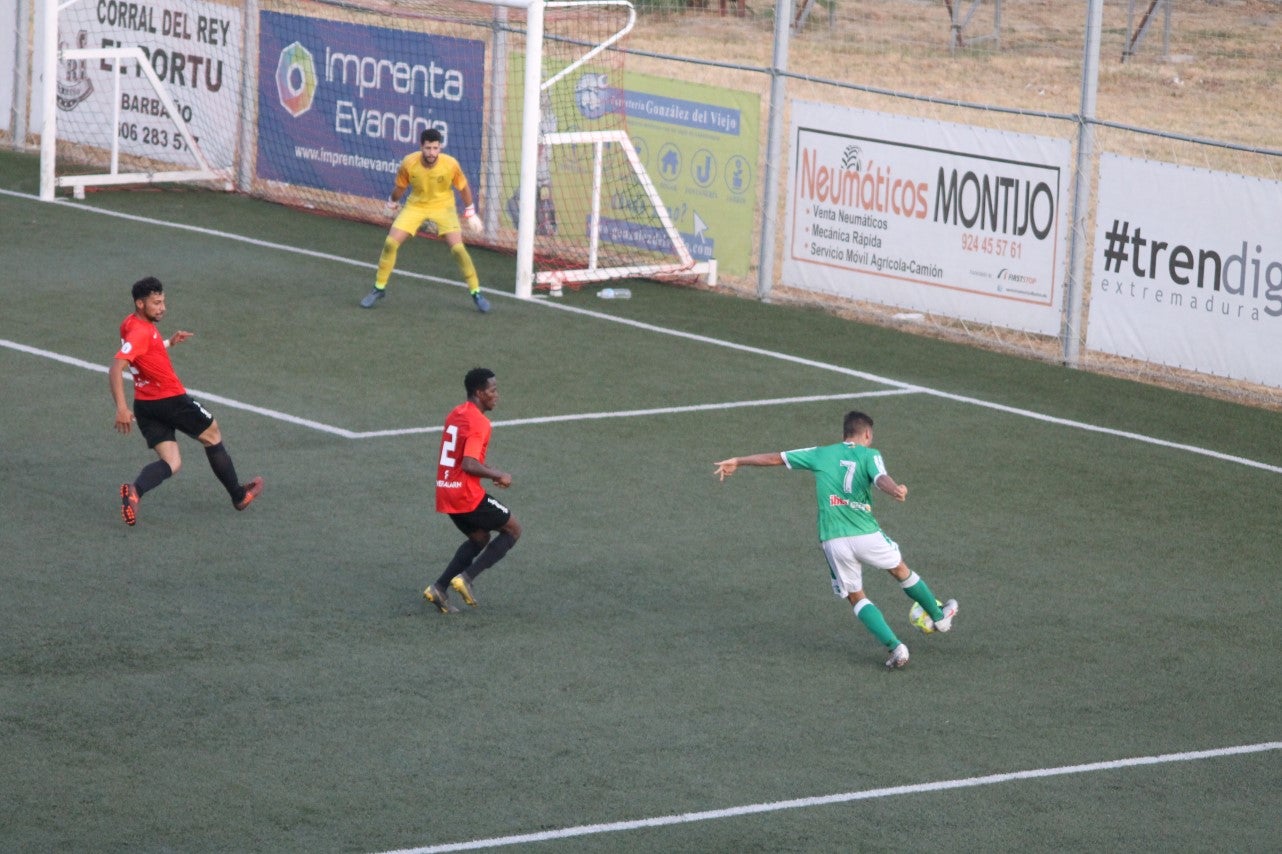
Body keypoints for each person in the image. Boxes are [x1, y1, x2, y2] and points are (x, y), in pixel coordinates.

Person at [714, 411, 957, 669]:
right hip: (866, 534)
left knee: (855, 596)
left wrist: (739, 461)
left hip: (833, 540)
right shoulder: (870, 455)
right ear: (867, 434)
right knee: (899, 570)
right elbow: (880, 478)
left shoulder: (820, 453)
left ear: (845, 433)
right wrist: (895, 489)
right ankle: (939, 617)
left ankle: (896, 648)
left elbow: (776, 458)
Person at [109, 276, 263, 526]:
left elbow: (143, 353)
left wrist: (167, 343)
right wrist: (121, 408)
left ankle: (135, 491)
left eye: (163, 302)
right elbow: (116, 368)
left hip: (146, 405)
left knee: (172, 462)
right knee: (212, 434)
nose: (162, 308)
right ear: (140, 303)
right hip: (170, 400)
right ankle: (239, 496)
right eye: (156, 303)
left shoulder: (129, 324)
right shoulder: (140, 331)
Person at [361, 128, 491, 313]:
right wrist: (392, 203)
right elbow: (400, 187)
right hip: (416, 206)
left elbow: (463, 188)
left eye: (435, 148)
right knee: (390, 243)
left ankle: (476, 293)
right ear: (421, 146)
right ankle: (379, 288)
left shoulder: (450, 164)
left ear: (440, 148)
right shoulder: (409, 163)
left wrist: (470, 212)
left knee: (458, 249)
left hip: (444, 207)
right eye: (428, 148)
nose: (432, 152)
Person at [424, 367, 522, 613]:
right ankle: (466, 578)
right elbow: (468, 464)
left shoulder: (456, 413)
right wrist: (498, 474)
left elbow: (462, 457)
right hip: (465, 494)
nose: (496, 395)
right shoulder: (480, 422)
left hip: (446, 491)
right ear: (479, 393)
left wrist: (487, 469)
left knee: (479, 538)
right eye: (492, 390)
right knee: (513, 530)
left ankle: (438, 588)